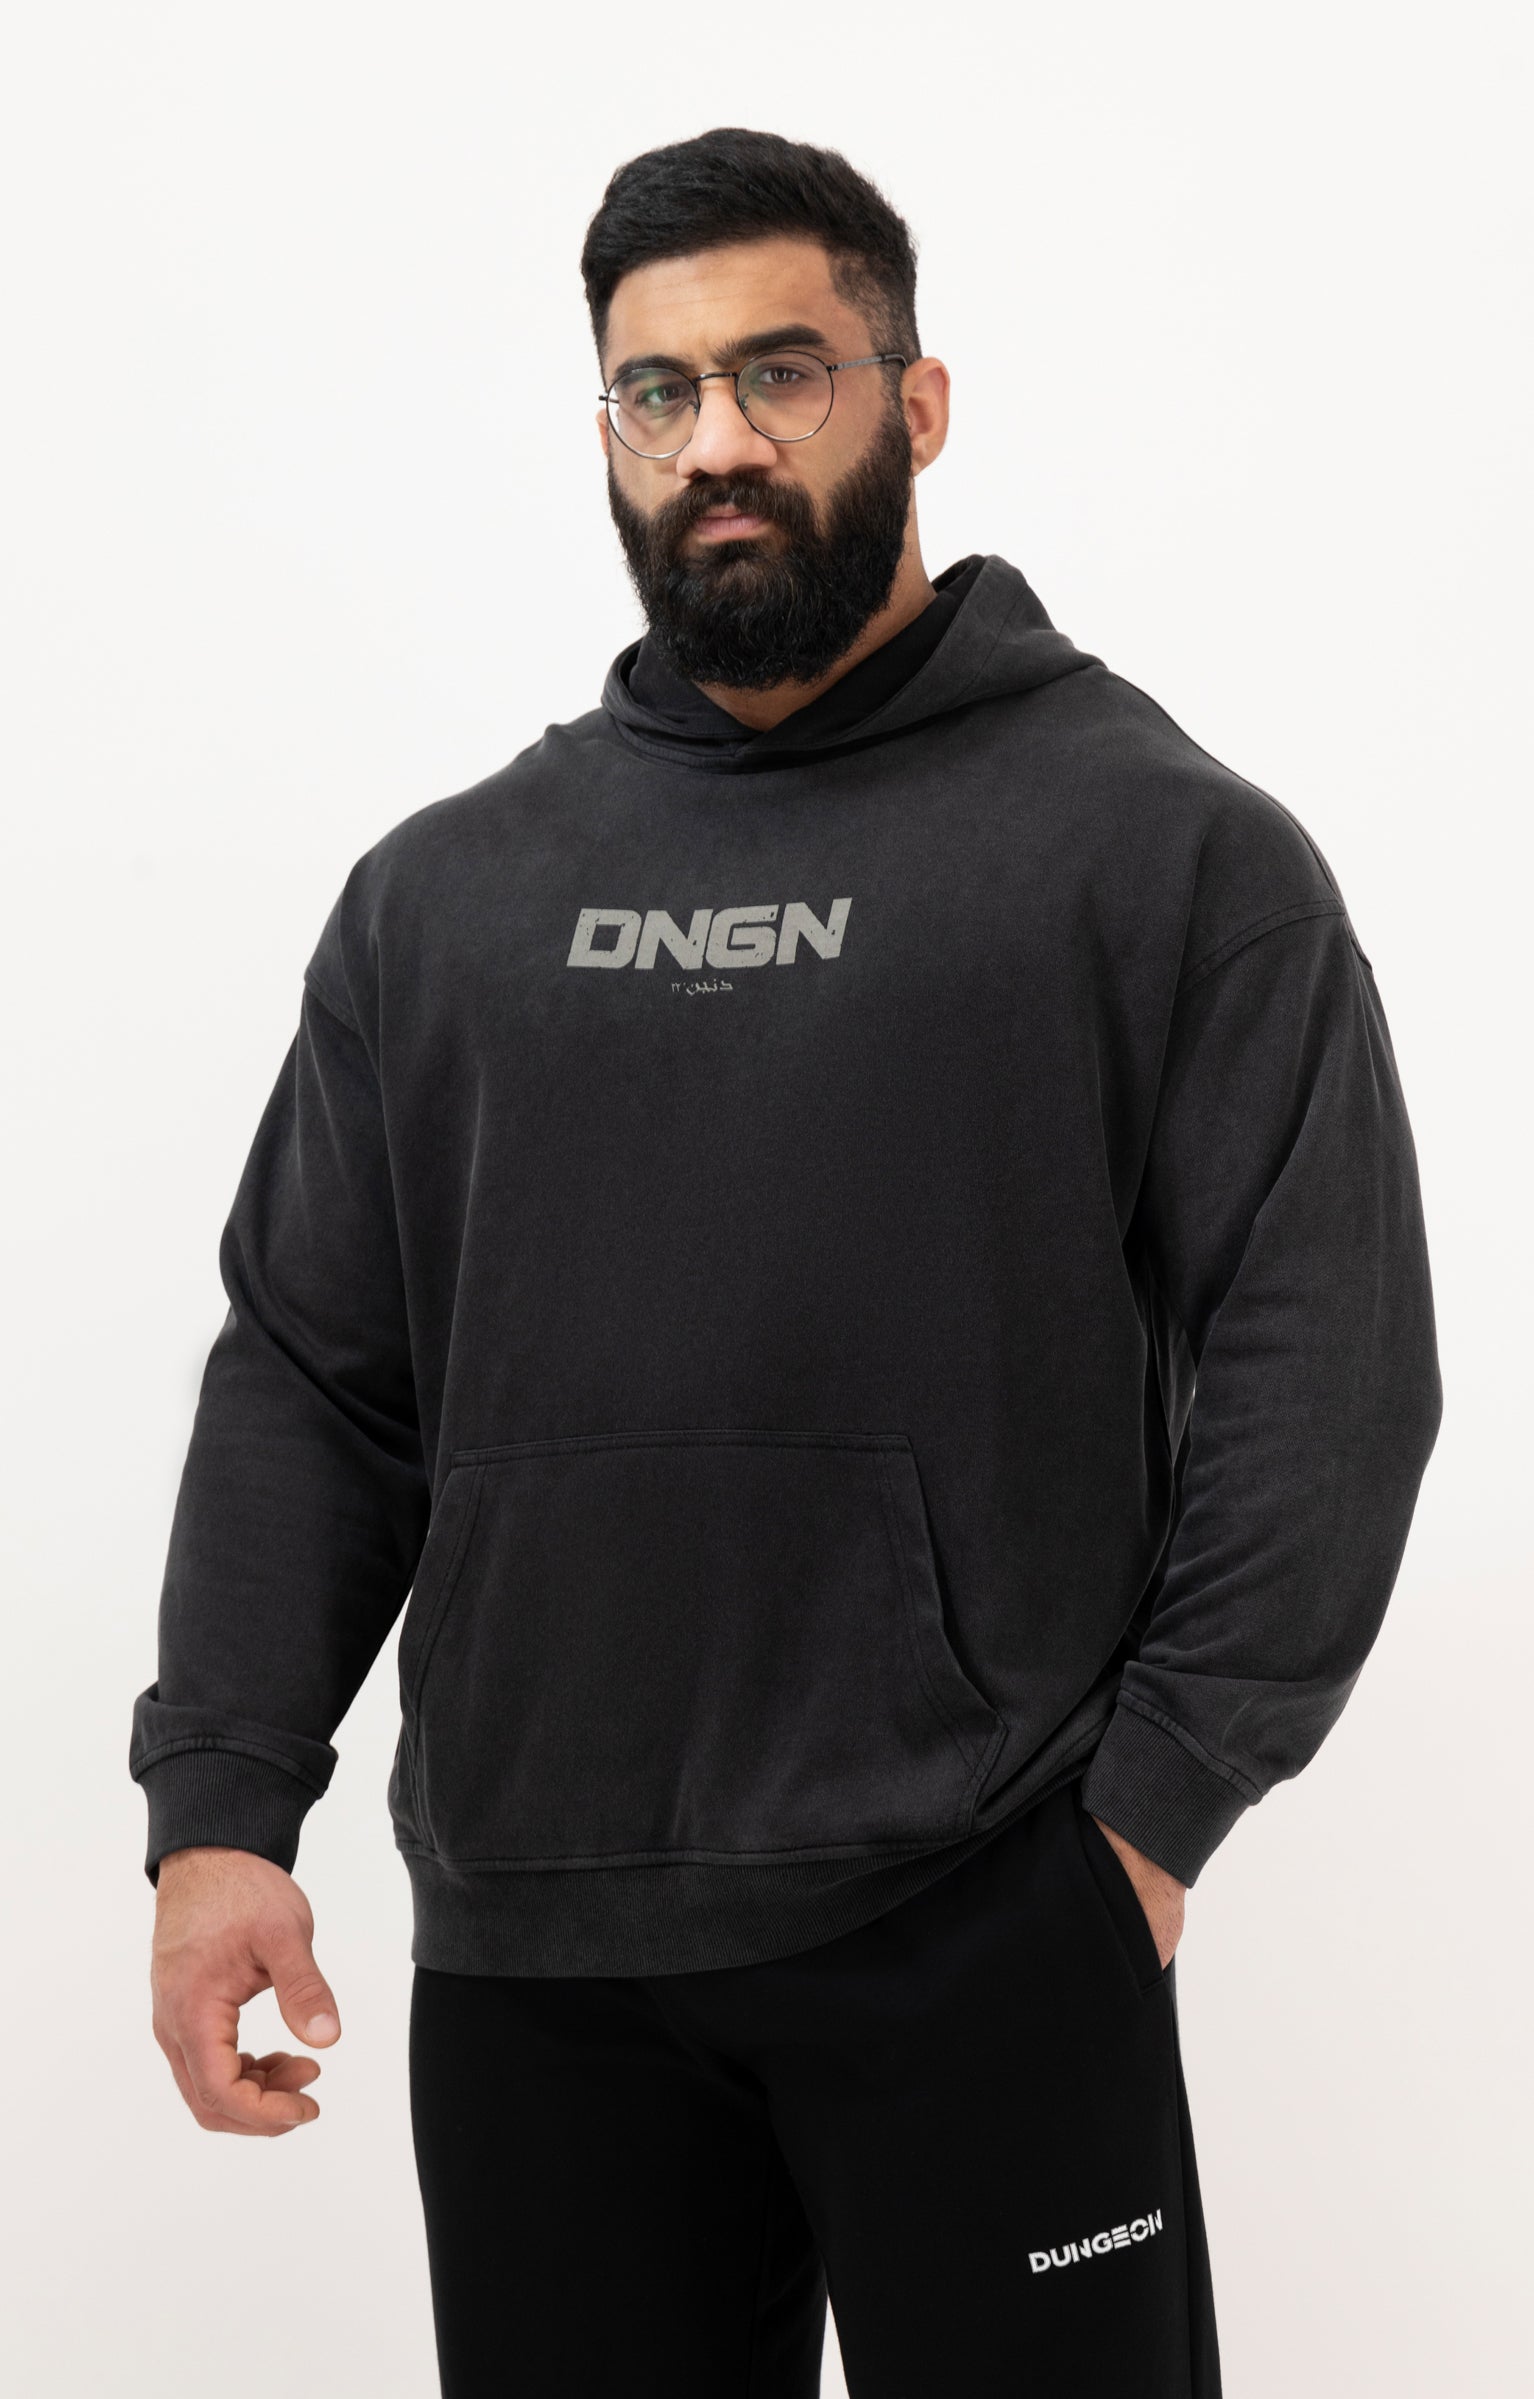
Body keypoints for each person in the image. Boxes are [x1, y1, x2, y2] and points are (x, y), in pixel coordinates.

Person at [131, 126, 1443, 2397]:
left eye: (780, 372)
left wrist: (1145, 1823)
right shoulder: (445, 898)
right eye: (657, 391)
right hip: (536, 1959)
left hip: (984, 1920)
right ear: (608, 430)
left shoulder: (1157, 853)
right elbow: (316, 1379)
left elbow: (1326, 1365)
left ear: (912, 403)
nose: (716, 441)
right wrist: (219, 1814)